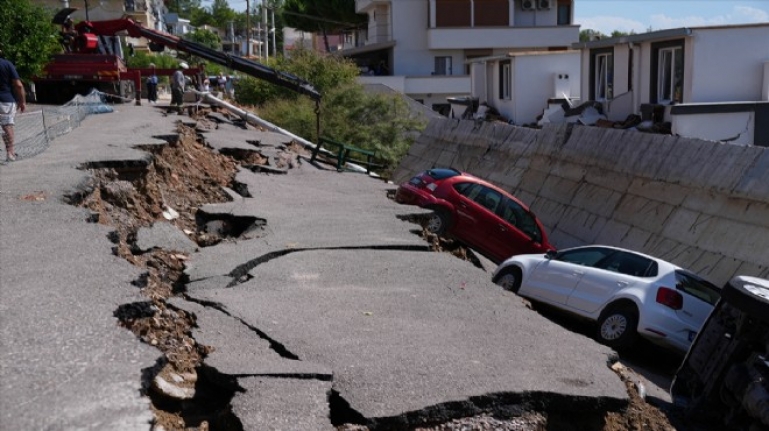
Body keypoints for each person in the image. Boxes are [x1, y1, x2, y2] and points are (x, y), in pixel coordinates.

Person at [0, 47, 26, 162]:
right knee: (7, 126)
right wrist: (22, 101)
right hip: (6, 101)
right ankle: (10, 153)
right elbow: (18, 85)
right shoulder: (7, 64)